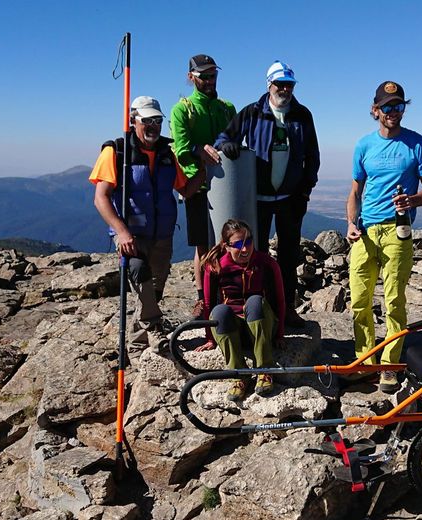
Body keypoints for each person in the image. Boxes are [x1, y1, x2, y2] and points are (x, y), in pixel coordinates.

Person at [90, 96, 204, 354]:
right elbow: (101, 197)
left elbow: (184, 190)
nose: (153, 126)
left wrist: (203, 170)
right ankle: (155, 329)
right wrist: (121, 232)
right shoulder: (116, 151)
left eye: (158, 120)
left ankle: (136, 346)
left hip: (162, 236)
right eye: (147, 120)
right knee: (140, 275)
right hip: (132, 236)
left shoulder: (166, 152)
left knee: (153, 292)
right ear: (133, 121)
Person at [345, 81, 422, 393]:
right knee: (359, 299)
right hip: (366, 231)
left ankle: (389, 366)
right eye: (387, 107)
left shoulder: (418, 145)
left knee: (394, 300)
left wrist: (413, 200)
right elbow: (355, 191)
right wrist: (350, 222)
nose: (393, 112)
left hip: (398, 230)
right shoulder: (364, 146)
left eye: (398, 106)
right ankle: (364, 361)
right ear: (375, 110)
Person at [214, 61, 320, 328]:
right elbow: (224, 138)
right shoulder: (252, 113)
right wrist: (227, 145)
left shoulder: (302, 115)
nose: (284, 89)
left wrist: (304, 192)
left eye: (289, 84)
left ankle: (286, 309)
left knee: (289, 256)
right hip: (256, 201)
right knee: (254, 256)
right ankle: (255, 311)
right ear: (269, 85)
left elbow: (312, 156)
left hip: (290, 200)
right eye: (279, 84)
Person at [169, 54, 237, 319]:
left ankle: (230, 293)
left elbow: (236, 139)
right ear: (191, 77)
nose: (209, 80)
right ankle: (203, 299)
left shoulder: (226, 107)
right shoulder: (182, 109)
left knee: (229, 242)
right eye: (203, 76)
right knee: (203, 247)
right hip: (198, 187)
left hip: (229, 185)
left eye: (212, 75)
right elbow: (182, 150)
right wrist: (200, 150)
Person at [196, 219, 286, 401]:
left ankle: (265, 370)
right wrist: (210, 338)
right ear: (226, 246)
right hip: (233, 329)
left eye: (248, 241)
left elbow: (279, 300)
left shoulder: (266, 264)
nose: (245, 249)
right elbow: (208, 303)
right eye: (238, 244)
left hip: (261, 325)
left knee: (255, 302)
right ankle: (238, 374)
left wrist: (279, 334)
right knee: (220, 311)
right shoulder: (215, 267)